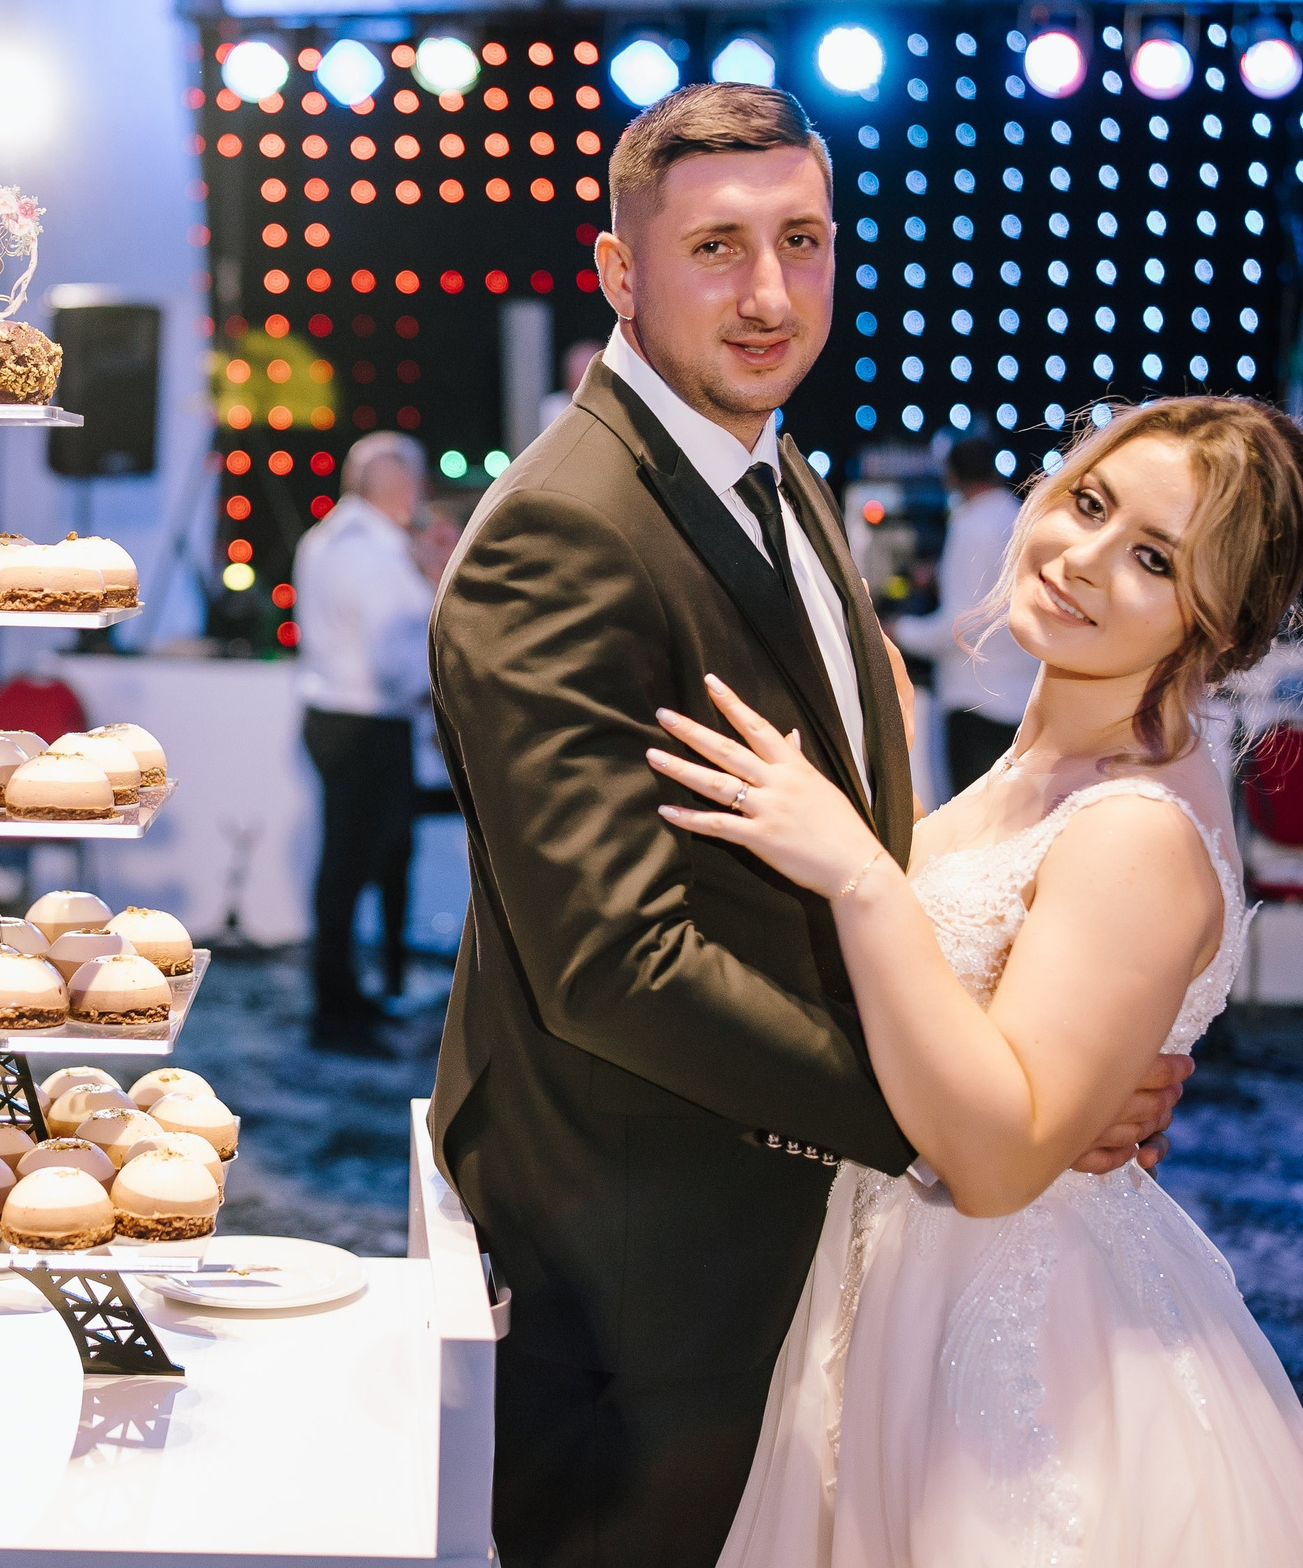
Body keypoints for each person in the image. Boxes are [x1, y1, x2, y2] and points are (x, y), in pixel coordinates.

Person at [425, 82, 1189, 1567]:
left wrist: (1036, 1050)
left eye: (805, 238)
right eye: (717, 246)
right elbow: (618, 962)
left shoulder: (777, 470)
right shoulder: (563, 531)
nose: (772, 292)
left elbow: (860, 837)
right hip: (646, 1246)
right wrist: (975, 1125)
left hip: (784, 1220)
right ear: (617, 271)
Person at [654, 398, 1303, 1565]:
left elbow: (995, 1163)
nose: (1081, 558)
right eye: (1087, 503)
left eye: (1152, 558)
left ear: (1221, 626)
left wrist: (858, 873)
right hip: (895, 1285)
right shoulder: (1040, 764)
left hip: (1014, 1332)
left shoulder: (1133, 826)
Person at [293, 430, 436, 1052]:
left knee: (347, 867)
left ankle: (345, 997)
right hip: (368, 725)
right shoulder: (372, 551)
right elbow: (394, 658)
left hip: (337, 718)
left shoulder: (325, 537)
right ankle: (337, 1009)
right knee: (353, 868)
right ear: (401, 486)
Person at [886, 434, 1039, 799]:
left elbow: (959, 627)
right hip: (1023, 701)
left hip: (977, 700)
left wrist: (893, 629)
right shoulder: (1016, 515)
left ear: (951, 476)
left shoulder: (970, 525)